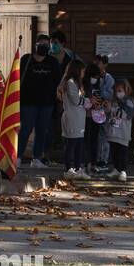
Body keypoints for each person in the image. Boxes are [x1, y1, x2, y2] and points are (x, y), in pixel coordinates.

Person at [18, 33, 62, 168]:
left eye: (46, 45)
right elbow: (18, 77)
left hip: (47, 103)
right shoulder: (26, 59)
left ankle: (36, 159)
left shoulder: (53, 62)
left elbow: (58, 81)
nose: (44, 47)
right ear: (35, 45)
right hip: (28, 102)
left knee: (42, 131)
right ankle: (18, 157)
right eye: (41, 45)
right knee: (25, 130)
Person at [59, 58, 88, 177]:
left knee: (79, 145)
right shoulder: (70, 82)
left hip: (79, 118)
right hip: (72, 118)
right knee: (71, 144)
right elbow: (76, 100)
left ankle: (78, 168)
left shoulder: (76, 83)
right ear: (77, 70)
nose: (83, 73)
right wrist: (88, 101)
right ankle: (68, 169)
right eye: (82, 71)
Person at [83, 59, 112, 174]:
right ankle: (86, 162)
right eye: (94, 76)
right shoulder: (84, 86)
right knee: (86, 140)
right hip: (86, 116)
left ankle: (93, 163)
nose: (96, 78)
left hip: (97, 116)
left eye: (97, 76)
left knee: (95, 140)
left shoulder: (99, 84)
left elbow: (103, 97)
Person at [105, 80, 134, 182]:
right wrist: (107, 107)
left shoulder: (130, 101)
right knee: (114, 152)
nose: (118, 93)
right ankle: (116, 169)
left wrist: (112, 109)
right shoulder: (113, 101)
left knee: (122, 152)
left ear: (126, 90)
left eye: (120, 90)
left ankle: (123, 170)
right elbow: (109, 113)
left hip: (123, 133)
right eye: (116, 90)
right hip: (113, 131)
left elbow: (126, 115)